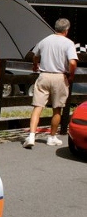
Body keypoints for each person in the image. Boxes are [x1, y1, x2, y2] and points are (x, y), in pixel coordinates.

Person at [22, 18, 78, 148]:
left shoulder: (44, 40)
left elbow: (35, 56)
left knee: (37, 107)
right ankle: (51, 137)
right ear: (66, 30)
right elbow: (73, 62)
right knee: (57, 108)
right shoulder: (68, 43)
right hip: (59, 77)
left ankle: (31, 136)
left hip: (44, 75)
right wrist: (71, 75)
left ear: (55, 28)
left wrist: (35, 66)